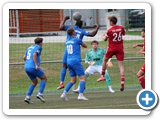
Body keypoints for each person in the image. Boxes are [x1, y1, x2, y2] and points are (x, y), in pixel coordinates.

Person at [57, 15, 99, 90]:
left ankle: (61, 83)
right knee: (77, 65)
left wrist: (64, 19)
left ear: (75, 22)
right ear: (81, 25)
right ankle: (82, 83)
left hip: (68, 48)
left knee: (64, 66)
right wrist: (97, 27)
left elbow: (60, 27)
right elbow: (92, 34)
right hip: (76, 50)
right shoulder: (82, 31)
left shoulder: (70, 28)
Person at [60, 27, 88, 101]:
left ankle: (64, 94)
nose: (75, 31)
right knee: (82, 78)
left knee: (73, 81)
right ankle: (80, 95)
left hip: (69, 61)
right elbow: (85, 46)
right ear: (73, 33)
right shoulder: (77, 40)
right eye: (74, 31)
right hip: (75, 61)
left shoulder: (67, 41)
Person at [99, 16, 125, 91]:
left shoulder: (109, 30)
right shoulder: (121, 28)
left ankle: (102, 75)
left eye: (109, 21)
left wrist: (103, 36)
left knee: (104, 60)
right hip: (120, 48)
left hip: (112, 48)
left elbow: (104, 39)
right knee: (121, 65)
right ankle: (122, 81)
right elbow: (123, 34)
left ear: (111, 22)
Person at [23, 37, 47, 104]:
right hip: (33, 67)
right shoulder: (38, 47)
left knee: (34, 82)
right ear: (40, 43)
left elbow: (24, 57)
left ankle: (27, 97)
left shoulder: (29, 47)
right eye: (42, 42)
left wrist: (28, 62)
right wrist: (36, 65)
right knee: (44, 78)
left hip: (26, 67)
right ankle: (40, 94)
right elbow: (34, 54)